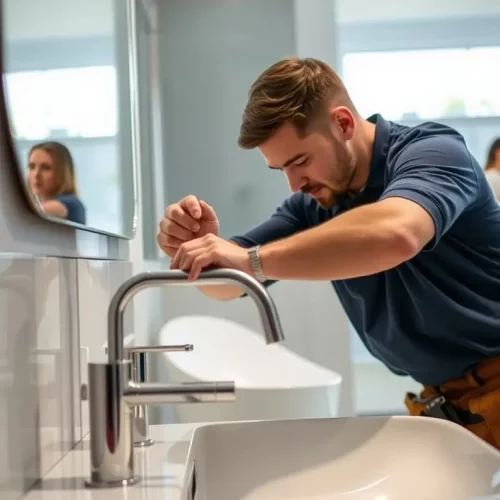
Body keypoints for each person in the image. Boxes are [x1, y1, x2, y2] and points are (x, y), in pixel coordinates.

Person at [157, 57, 500, 448]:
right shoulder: (314, 205)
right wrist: (199, 249)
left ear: (343, 123)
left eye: (299, 161)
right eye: (280, 169)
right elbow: (230, 286)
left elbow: (397, 234)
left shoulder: (433, 152)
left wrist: (249, 259)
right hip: (448, 403)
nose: (293, 183)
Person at [27, 141, 86, 224]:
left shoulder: (70, 202)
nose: (36, 174)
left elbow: (24, 214)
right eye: (32, 167)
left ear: (62, 173)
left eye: (46, 168)